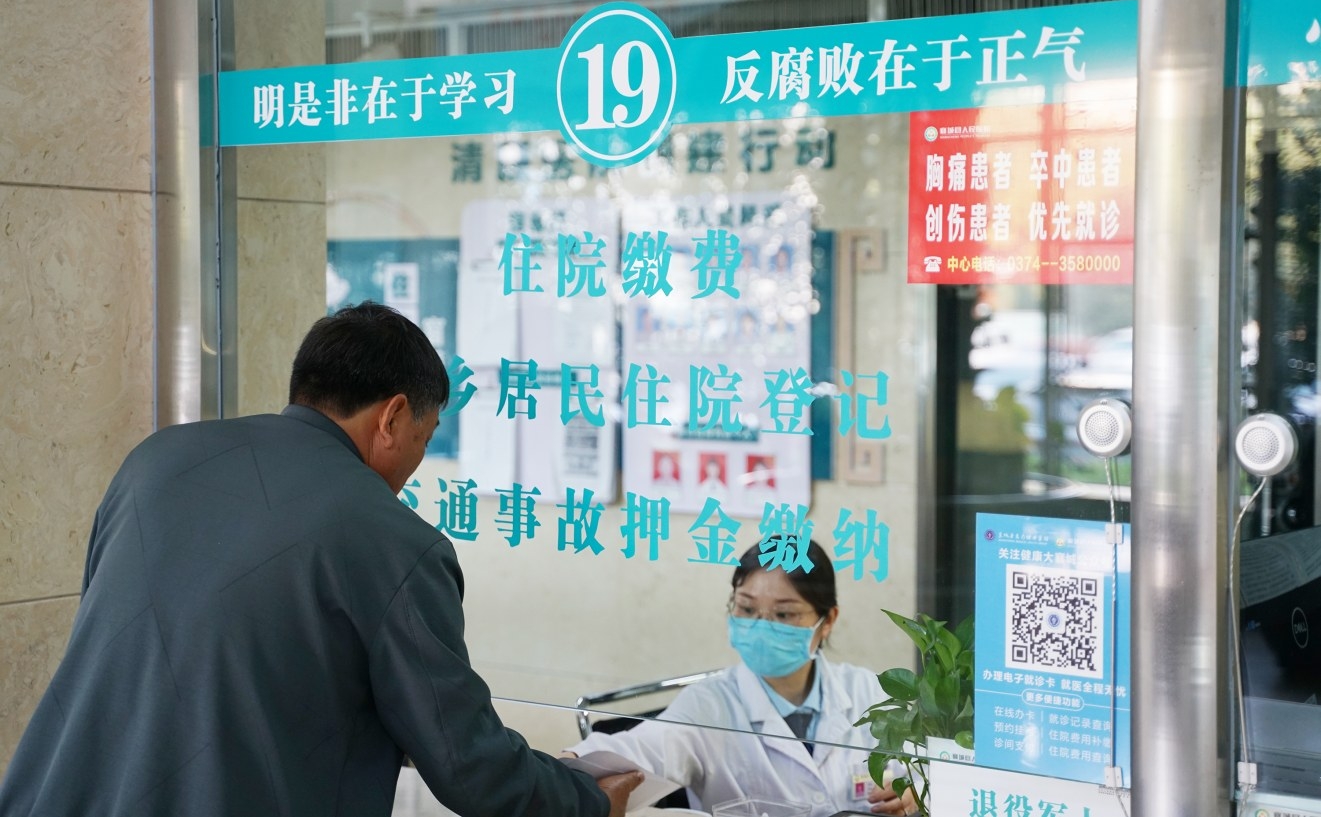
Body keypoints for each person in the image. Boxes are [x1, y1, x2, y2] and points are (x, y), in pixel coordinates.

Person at [0, 302, 640, 817]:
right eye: (422, 439)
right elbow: (467, 764)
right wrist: (585, 800)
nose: (413, 468)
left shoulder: (155, 462)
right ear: (392, 418)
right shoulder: (393, 540)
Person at [564, 539, 917, 817]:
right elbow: (642, 748)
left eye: (784, 614)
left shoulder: (867, 691)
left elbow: (928, 764)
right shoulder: (709, 705)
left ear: (828, 621)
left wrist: (916, 792)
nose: (761, 626)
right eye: (747, 609)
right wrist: (559, 768)